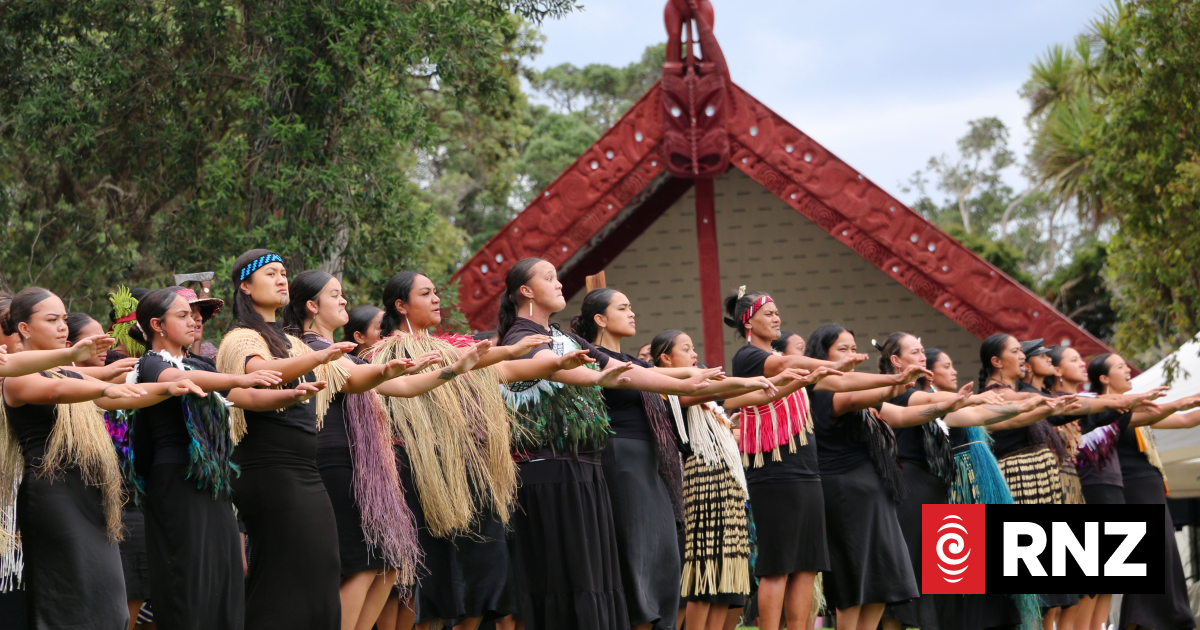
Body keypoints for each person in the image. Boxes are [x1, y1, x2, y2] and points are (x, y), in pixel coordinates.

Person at [498, 258, 743, 630]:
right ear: (526, 291)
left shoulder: (565, 337)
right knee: (568, 581)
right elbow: (560, 366)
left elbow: (627, 372)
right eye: (549, 278)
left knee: (594, 580)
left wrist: (686, 383)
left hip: (582, 469)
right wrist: (666, 382)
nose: (560, 283)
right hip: (549, 474)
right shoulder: (522, 336)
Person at [370, 270, 594, 630]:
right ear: (401, 305)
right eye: (425, 293)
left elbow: (500, 368)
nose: (436, 299)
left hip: (470, 475)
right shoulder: (386, 355)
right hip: (423, 477)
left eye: (436, 292)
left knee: (485, 579)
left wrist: (554, 362)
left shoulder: (450, 347)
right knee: (436, 586)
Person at [283, 269, 497, 630]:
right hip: (338, 462)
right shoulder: (311, 349)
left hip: (365, 466)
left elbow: (408, 388)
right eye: (334, 295)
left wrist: (458, 367)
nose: (343, 300)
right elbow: (359, 381)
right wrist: (385, 372)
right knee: (364, 566)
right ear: (311, 306)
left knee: (387, 567)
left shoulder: (348, 353)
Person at [214, 249, 416, 629]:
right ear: (245, 285)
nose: (280, 279)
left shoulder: (295, 345)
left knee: (322, 573)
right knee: (283, 582)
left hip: (305, 474)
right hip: (269, 472)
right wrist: (312, 368)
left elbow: (355, 380)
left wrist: (386, 370)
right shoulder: (241, 338)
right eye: (270, 273)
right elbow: (259, 375)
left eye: (283, 273)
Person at [1, 286, 203, 629]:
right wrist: (105, 385)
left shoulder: (66, 371)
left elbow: (120, 396)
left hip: (92, 496)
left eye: (65, 319)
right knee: (69, 603)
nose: (62, 326)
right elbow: (59, 390)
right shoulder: (15, 379)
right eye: (52, 320)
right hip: (54, 495)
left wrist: (169, 388)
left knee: (110, 606)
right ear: (24, 329)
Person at [571, 290, 775, 630]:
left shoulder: (636, 363)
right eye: (623, 308)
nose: (632, 313)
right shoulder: (597, 357)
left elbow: (689, 383)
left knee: (664, 555)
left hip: (650, 460)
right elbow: (686, 386)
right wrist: (738, 380)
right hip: (621, 458)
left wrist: (753, 382)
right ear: (600, 319)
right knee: (637, 554)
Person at [130, 286, 323, 630]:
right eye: (183, 315)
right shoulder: (152, 363)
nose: (194, 320)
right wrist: (239, 375)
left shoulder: (201, 362)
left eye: (194, 314)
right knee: (190, 575)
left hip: (212, 480)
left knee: (226, 572)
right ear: (157, 325)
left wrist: (291, 395)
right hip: (177, 480)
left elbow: (245, 396)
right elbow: (183, 380)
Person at [873, 333, 1054, 630]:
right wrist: (979, 398)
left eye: (922, 351)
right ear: (896, 360)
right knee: (905, 591)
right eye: (915, 351)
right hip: (912, 493)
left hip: (932, 494)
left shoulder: (927, 400)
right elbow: (945, 405)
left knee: (921, 589)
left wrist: (1029, 408)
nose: (921, 356)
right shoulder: (901, 396)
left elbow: (975, 415)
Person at [1089, 353, 1200, 630]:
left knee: (1164, 551)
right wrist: (1177, 403)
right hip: (1132, 486)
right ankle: (1142, 621)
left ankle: (1164, 619)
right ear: (1104, 378)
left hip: (1150, 482)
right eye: (1119, 367)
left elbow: (1185, 420)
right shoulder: (1098, 410)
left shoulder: (1133, 407)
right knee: (1149, 554)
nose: (1127, 370)